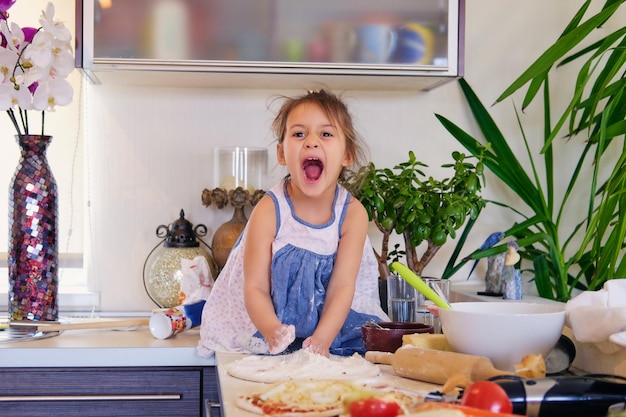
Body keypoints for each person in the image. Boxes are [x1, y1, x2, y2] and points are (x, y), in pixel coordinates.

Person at [198, 89, 388, 358]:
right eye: (299, 134)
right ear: (281, 153)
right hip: (268, 323)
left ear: (347, 154)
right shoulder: (270, 210)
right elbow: (255, 287)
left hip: (330, 327)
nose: (311, 142)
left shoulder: (352, 214)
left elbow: (342, 287)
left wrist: (321, 340)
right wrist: (272, 330)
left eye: (326, 134)